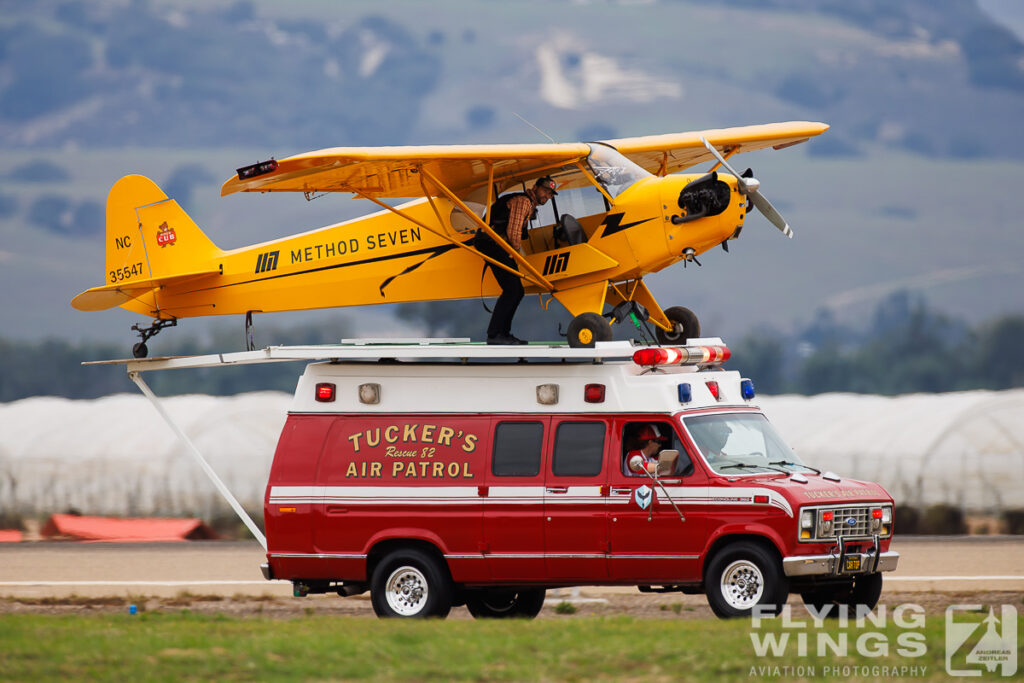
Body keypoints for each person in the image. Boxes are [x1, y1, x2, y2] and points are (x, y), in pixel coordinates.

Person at [476, 176, 558, 345]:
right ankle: (494, 335)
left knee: (516, 291)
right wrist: (518, 256)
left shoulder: (529, 204)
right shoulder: (523, 202)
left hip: (499, 244)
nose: (547, 197)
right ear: (535, 187)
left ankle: (503, 334)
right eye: (545, 191)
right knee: (512, 290)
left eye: (550, 194)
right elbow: (513, 233)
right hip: (492, 242)